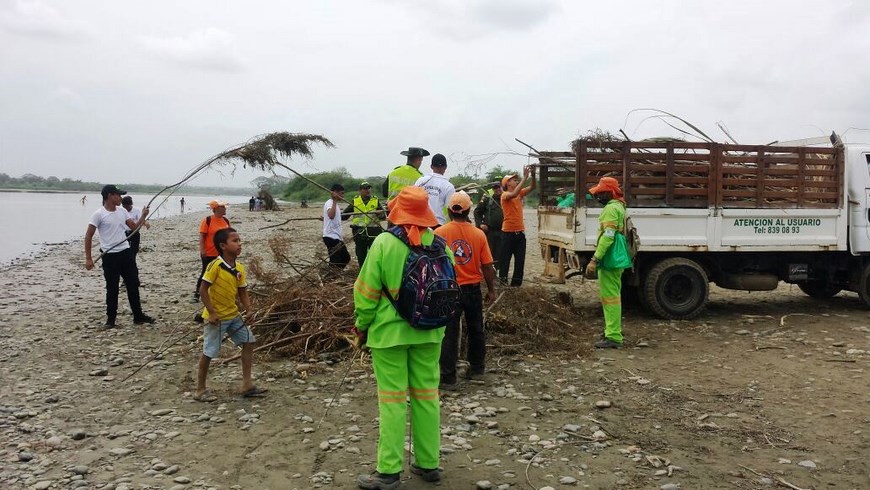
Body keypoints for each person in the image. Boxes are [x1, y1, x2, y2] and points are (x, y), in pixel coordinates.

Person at [353, 186, 450, 488]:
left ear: (396, 212)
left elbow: (366, 292)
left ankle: (389, 472)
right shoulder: (441, 245)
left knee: (393, 401)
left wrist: (361, 326)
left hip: (389, 335)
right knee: (427, 398)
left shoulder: (383, 243)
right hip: (430, 333)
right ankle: (428, 463)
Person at [195, 227, 267, 402]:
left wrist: (249, 309)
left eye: (239, 240)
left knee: (249, 342)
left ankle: (247, 384)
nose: (239, 244)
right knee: (209, 352)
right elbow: (203, 290)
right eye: (235, 241)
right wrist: (211, 312)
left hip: (233, 316)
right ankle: (200, 389)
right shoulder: (215, 266)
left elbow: (243, 291)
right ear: (223, 245)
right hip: (217, 319)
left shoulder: (239, 268)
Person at [435, 191, 496, 390]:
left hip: (448, 290)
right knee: (476, 328)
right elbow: (487, 265)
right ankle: (477, 368)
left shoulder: (439, 233)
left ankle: (447, 377)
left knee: (449, 333)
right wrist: (491, 289)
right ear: (469, 210)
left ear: (449, 210)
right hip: (472, 289)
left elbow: (433, 263)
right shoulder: (478, 234)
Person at [84, 184, 155, 328]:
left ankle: (138, 316)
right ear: (110, 196)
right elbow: (88, 236)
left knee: (133, 284)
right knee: (112, 288)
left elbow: (133, 228)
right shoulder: (99, 214)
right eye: (118, 195)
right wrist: (88, 258)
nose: (120, 198)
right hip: (109, 256)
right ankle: (111, 320)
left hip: (125, 253)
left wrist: (143, 216)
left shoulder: (122, 211)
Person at [584, 177, 629, 349]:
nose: (598, 196)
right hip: (615, 257)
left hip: (610, 258)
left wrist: (595, 259)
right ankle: (612, 330)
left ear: (609, 192)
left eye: (601, 193)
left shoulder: (611, 209)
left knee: (610, 298)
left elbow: (608, 235)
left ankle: (613, 336)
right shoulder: (619, 206)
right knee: (613, 296)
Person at [499, 166, 536, 286]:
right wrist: (525, 177)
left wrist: (533, 175)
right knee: (505, 261)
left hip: (520, 233)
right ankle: (503, 283)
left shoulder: (519, 193)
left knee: (520, 262)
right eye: (513, 180)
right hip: (507, 234)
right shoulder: (504, 195)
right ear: (507, 183)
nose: (516, 180)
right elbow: (514, 194)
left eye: (516, 179)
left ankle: (515, 286)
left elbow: (533, 187)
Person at [193, 200, 231, 303]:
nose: (225, 208)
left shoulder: (226, 221)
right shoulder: (208, 220)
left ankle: (218, 293)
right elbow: (202, 236)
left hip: (222, 254)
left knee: (222, 273)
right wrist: (202, 250)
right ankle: (197, 293)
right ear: (217, 209)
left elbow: (229, 236)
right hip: (209, 253)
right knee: (206, 273)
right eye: (223, 207)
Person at [343, 181, 385, 266]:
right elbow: (344, 216)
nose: (368, 190)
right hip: (359, 232)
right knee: (361, 255)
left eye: (369, 188)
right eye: (365, 188)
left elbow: (383, 217)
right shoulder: (355, 201)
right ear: (360, 190)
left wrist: (380, 214)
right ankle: (362, 274)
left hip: (374, 232)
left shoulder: (375, 200)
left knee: (375, 255)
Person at [414, 153, 455, 226]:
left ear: (431, 166)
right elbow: (451, 209)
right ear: (445, 167)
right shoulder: (449, 186)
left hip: (420, 224)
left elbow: (413, 200)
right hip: (438, 224)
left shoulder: (421, 181)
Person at [473, 182, 504, 270]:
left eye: (499, 187)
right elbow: (477, 212)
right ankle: (488, 272)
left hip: (503, 231)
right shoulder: (487, 198)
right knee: (488, 253)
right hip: (489, 231)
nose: (497, 189)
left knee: (501, 253)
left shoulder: (506, 198)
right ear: (492, 189)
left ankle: (497, 273)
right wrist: (480, 224)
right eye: (495, 188)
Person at [323, 183, 351, 270]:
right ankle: (330, 278)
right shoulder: (330, 203)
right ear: (335, 192)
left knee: (345, 258)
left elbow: (331, 217)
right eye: (341, 193)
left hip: (337, 237)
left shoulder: (335, 205)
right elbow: (331, 215)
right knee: (335, 261)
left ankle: (335, 275)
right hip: (330, 237)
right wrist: (334, 200)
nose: (343, 195)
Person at [121, 195, 151, 260]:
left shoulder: (136, 210)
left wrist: (145, 223)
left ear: (130, 205)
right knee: (125, 249)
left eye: (127, 207)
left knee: (134, 250)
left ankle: (132, 260)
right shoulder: (121, 210)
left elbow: (141, 219)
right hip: (124, 233)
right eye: (124, 207)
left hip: (134, 232)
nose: (126, 209)